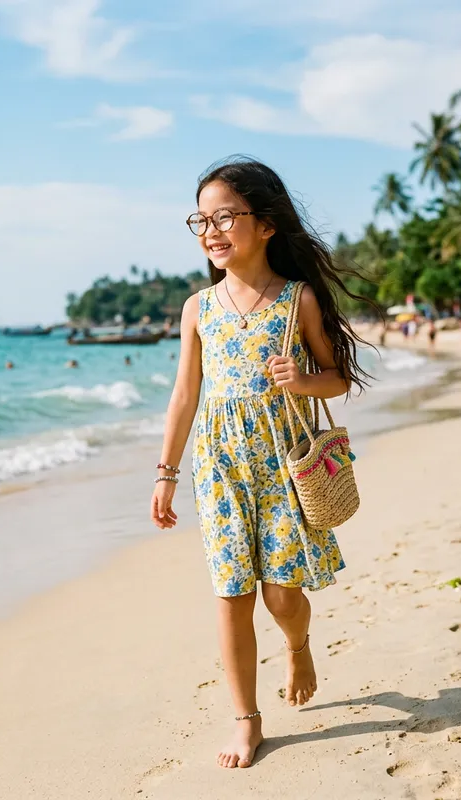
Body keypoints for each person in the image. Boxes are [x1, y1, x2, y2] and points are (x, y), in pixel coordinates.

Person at [150, 158, 369, 770]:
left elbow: (337, 380)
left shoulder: (296, 300)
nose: (211, 230)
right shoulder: (199, 307)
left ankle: (298, 644)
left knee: (280, 594)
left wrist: (302, 380)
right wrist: (165, 474)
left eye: (225, 216)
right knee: (231, 592)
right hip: (218, 467)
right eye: (201, 219)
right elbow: (184, 395)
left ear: (266, 225)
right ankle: (246, 719)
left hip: (281, 463)